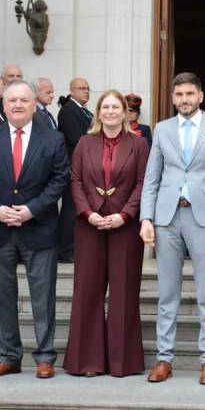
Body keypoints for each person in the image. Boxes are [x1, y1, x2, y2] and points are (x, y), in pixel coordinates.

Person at [0, 80, 70, 379]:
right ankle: (8, 356)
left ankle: (45, 357)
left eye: (24, 100)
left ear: (34, 104)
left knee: (43, 297)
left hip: (38, 228)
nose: (18, 105)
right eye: (12, 100)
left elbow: (60, 179)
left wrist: (32, 209)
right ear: (3, 104)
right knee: (0, 297)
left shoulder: (53, 139)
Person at [140, 72, 205, 386]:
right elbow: (152, 178)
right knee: (167, 293)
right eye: (178, 94)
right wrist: (146, 218)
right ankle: (164, 359)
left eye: (189, 94)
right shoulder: (162, 129)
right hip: (166, 218)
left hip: (204, 218)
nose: (184, 99)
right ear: (173, 98)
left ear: (200, 96)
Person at [63, 90, 150, 377]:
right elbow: (74, 180)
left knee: (124, 293)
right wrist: (89, 213)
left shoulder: (138, 145)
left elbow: (143, 183)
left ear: (125, 113)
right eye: (106, 106)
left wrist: (124, 215)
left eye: (116, 107)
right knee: (87, 291)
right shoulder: (84, 143)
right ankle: (87, 361)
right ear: (98, 112)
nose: (111, 111)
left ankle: (121, 362)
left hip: (125, 226)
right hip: (89, 225)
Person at [57, 78, 94, 262]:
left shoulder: (84, 111)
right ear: (71, 91)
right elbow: (75, 138)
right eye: (82, 88)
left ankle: (75, 247)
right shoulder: (68, 110)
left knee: (78, 208)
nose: (86, 91)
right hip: (73, 166)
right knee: (70, 209)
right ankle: (65, 250)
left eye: (88, 88)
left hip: (84, 167)